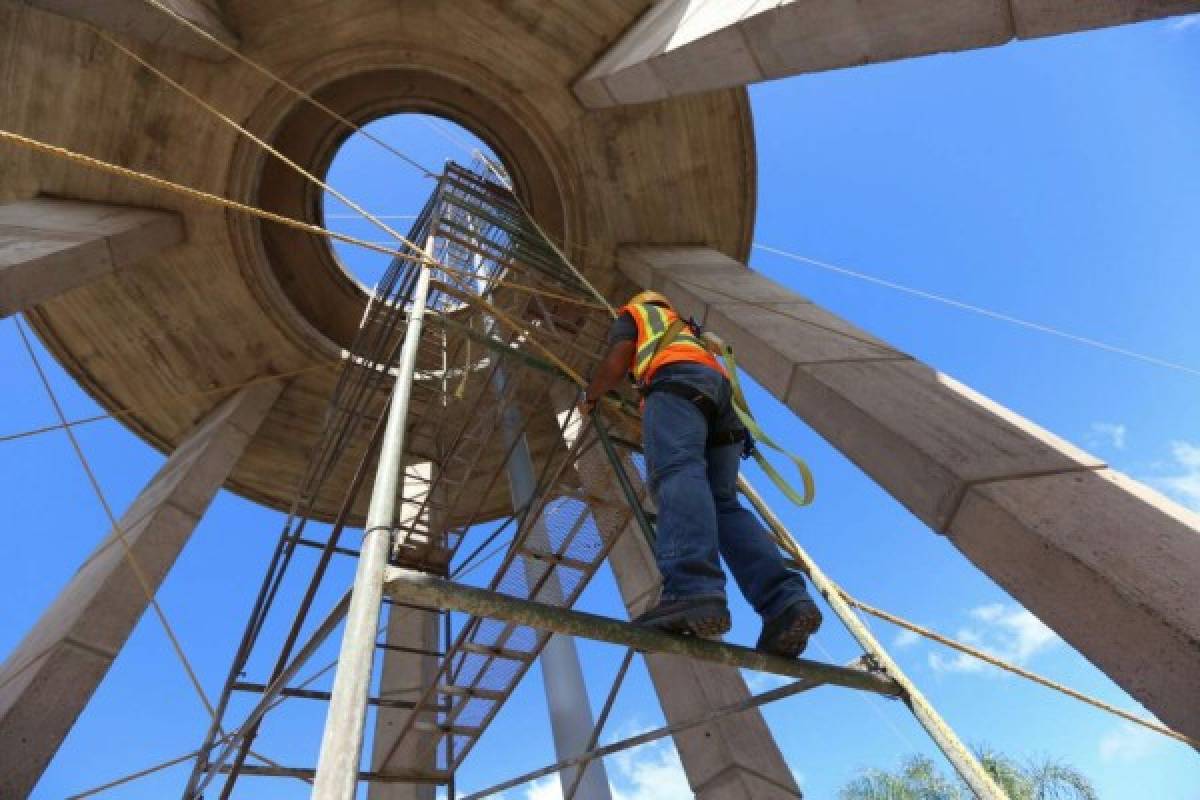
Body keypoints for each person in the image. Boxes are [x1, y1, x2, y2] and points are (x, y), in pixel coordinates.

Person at [580, 290, 823, 657]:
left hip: (676, 386)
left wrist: (592, 395)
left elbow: (618, 358)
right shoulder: (685, 328)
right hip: (723, 405)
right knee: (723, 504)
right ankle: (785, 603)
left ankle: (692, 590)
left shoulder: (635, 314)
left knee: (676, 472)